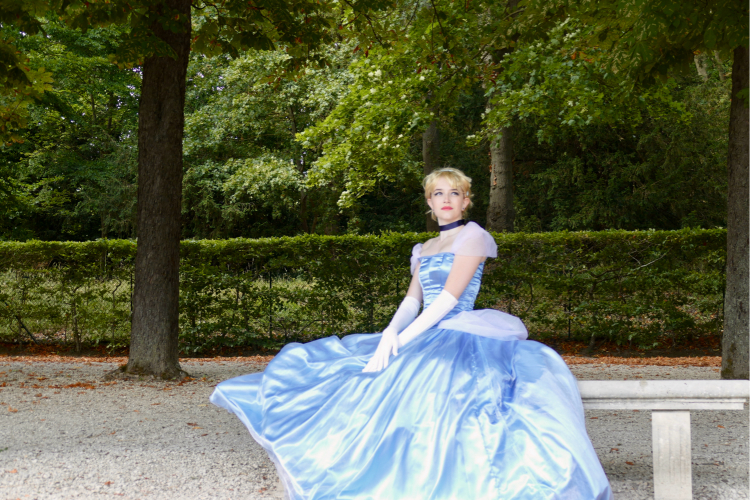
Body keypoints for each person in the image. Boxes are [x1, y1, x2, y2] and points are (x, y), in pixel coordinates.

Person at [211, 168, 613, 500]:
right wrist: (390, 331)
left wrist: (403, 341)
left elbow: (449, 299)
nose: (446, 199)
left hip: (460, 330)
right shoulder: (425, 247)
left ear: (466, 201)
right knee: (357, 377)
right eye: (438, 193)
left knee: (433, 385)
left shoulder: (473, 236)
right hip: (425, 328)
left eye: (454, 193)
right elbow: (412, 300)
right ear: (429, 203)